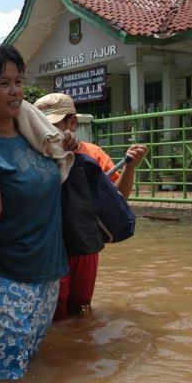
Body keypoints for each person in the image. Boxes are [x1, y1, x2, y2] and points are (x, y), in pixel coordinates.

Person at [0, 44, 77, 381]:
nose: (16, 92)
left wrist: (68, 147)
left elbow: (57, 184)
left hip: (47, 274)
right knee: (5, 382)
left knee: (28, 370)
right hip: (3, 279)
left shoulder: (36, 136)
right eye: (3, 84)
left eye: (18, 81)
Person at [34, 92, 147, 320]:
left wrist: (130, 167)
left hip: (84, 242)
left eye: (55, 124)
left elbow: (118, 196)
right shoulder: (33, 155)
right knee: (52, 309)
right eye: (43, 125)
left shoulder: (91, 154)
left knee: (81, 308)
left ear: (72, 123)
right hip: (49, 244)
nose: (49, 131)